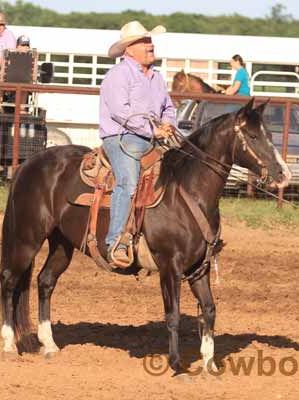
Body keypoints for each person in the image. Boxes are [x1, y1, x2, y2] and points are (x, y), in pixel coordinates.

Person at [100, 21, 175, 266]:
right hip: (121, 137)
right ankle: (117, 242)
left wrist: (168, 125)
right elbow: (121, 113)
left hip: (151, 137)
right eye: (144, 42)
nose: (150, 45)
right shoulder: (118, 75)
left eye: (150, 41)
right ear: (129, 50)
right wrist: (154, 129)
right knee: (128, 182)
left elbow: (168, 107)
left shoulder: (157, 78)